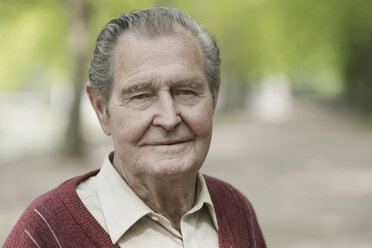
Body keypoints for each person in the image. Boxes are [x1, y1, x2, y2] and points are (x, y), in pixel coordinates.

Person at [4, 7, 266, 248]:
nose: (169, 118)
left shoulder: (236, 210)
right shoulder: (45, 234)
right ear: (101, 110)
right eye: (141, 96)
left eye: (186, 91)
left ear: (214, 96)